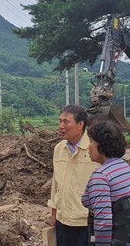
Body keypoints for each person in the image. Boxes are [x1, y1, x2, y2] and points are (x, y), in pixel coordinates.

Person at [81, 121, 130, 245]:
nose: (88, 146)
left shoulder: (101, 177)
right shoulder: (126, 169)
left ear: (101, 145)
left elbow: (103, 223)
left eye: (91, 141)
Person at [48, 104, 100, 246]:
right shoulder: (59, 148)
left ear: (80, 124)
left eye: (66, 122)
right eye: (60, 121)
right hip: (62, 220)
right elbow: (56, 183)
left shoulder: (94, 148)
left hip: (86, 222)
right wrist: (53, 214)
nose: (61, 126)